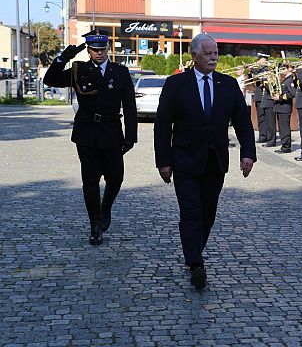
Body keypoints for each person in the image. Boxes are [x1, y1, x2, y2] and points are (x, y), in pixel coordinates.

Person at [154, 34, 256, 290]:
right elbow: (163, 126)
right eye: (208, 53)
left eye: (216, 52)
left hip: (215, 161)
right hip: (185, 160)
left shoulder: (228, 85)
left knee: (208, 213)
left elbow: (243, 122)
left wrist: (248, 153)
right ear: (194, 56)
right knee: (191, 211)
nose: (214, 57)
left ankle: (193, 250)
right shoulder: (176, 84)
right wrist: (163, 162)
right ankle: (196, 263)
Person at [43, 29, 137, 246]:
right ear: (88, 50)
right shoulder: (79, 70)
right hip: (87, 133)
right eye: (94, 50)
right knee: (90, 181)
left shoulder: (120, 72)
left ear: (108, 49)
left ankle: (106, 209)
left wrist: (131, 136)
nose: (99, 53)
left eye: (102, 49)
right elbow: (51, 80)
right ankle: (95, 223)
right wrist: (64, 57)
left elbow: (130, 107)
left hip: (112, 132)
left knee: (116, 178)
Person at [273, 65, 297, 154]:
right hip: (280, 107)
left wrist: (280, 97)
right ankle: (284, 145)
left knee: (284, 128)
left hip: (285, 107)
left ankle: (286, 147)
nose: (281, 71)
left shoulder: (290, 80)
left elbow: (292, 94)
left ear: (288, 69)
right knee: (281, 128)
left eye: (283, 69)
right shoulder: (285, 79)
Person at [251, 53, 269, 143]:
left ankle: (266, 135)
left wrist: (256, 69)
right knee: (260, 117)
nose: (258, 61)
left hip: (265, 95)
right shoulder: (256, 69)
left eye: (260, 59)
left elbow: (260, 78)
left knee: (266, 117)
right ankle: (262, 135)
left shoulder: (267, 69)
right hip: (258, 95)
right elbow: (254, 79)